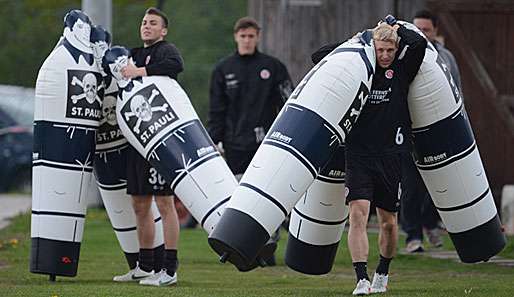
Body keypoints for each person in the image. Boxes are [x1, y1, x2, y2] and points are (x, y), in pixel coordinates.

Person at [342, 20, 427, 295]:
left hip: (391, 155)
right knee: (358, 215)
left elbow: (419, 43)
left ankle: (382, 273)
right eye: (380, 50)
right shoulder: (359, 68)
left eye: (390, 50)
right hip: (358, 155)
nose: (385, 56)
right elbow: (320, 56)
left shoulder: (402, 71)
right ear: (372, 49)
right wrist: (362, 37)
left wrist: (395, 27)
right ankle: (361, 279)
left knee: (388, 223)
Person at [207, 16, 293, 265]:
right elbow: (216, 110)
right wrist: (215, 140)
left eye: (251, 36)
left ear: (257, 37)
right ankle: (243, 251)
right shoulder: (223, 69)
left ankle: (267, 249)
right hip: (234, 145)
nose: (246, 40)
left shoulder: (273, 67)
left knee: (265, 198)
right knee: (239, 199)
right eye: (242, 36)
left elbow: (288, 104)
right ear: (236, 37)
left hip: (266, 145)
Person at [113, 7, 183, 287]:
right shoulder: (131, 53)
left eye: (153, 23)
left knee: (165, 203)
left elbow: (176, 66)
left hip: (160, 141)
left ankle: (169, 270)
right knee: (140, 205)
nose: (147, 26)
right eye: (144, 22)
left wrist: (138, 71)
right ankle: (145, 266)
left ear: (163, 30)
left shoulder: (167, 50)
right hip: (136, 141)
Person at [400, 9, 463, 253]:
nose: (421, 34)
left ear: (435, 31)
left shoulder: (445, 57)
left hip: (438, 131)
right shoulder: (402, 55)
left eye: (425, 30)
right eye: (417, 28)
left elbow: (457, 90)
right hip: (408, 132)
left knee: (437, 183)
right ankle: (412, 236)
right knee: (411, 186)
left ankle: (430, 222)